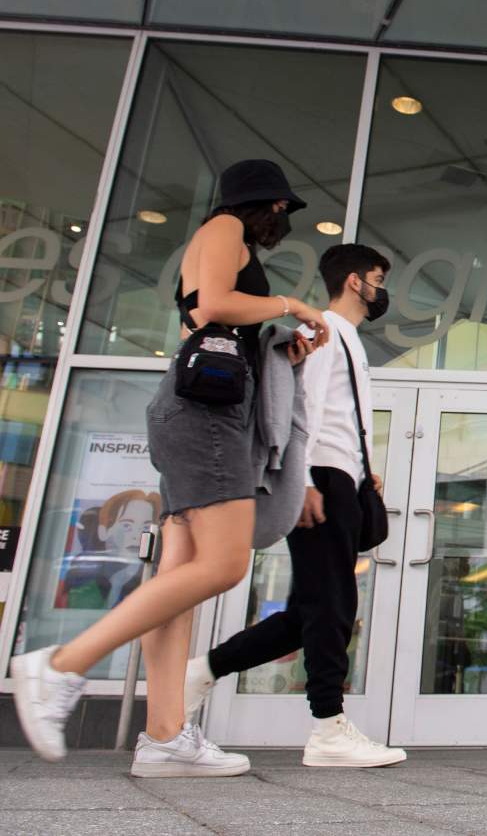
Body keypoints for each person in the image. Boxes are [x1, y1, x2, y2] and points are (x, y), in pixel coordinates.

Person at [10, 159, 329, 777]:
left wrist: (280, 344)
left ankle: (164, 737)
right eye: (282, 210)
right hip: (206, 420)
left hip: (203, 415)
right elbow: (214, 303)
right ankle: (60, 666)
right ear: (264, 203)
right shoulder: (224, 229)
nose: (283, 223)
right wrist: (292, 303)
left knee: (180, 581)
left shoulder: (226, 240)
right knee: (224, 564)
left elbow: (215, 318)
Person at [184, 243, 406, 768]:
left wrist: (360, 466)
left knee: (312, 609)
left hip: (339, 476)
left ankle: (203, 671)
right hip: (320, 478)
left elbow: (335, 412)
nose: (381, 289)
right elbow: (296, 405)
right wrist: (302, 478)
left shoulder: (346, 336)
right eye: (378, 278)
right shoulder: (324, 331)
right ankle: (328, 729)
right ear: (356, 281)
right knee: (333, 606)